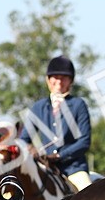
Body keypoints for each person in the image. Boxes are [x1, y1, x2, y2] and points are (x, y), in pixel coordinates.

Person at [18, 56, 93, 192]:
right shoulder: (38, 107)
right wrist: (32, 150)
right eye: (55, 77)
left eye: (64, 77)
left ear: (70, 81)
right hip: (46, 168)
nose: (59, 81)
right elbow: (24, 139)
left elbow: (84, 141)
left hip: (73, 169)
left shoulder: (78, 105)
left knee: (89, 195)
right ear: (48, 80)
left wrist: (59, 156)